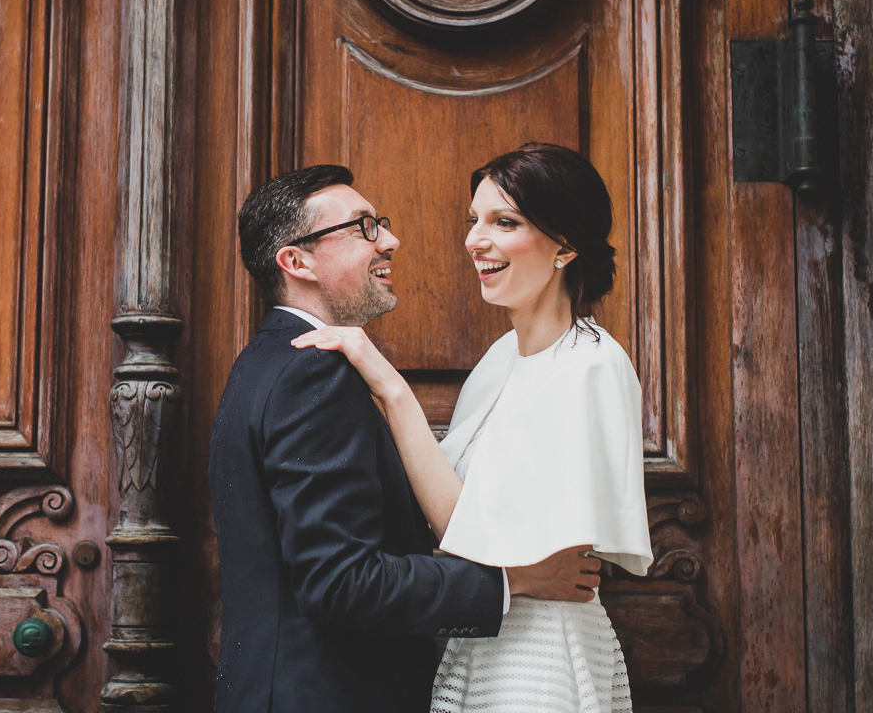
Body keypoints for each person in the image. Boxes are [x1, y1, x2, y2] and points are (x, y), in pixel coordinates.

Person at [208, 164, 603, 713]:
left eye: (382, 224)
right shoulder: (311, 372)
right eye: (363, 228)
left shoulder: (266, 361)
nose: (390, 240)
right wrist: (516, 580)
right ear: (297, 262)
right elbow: (342, 583)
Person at [293, 144, 654, 713]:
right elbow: (461, 533)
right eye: (474, 220)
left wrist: (390, 387)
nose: (474, 240)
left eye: (503, 222)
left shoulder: (592, 363)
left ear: (565, 245)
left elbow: (465, 527)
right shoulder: (499, 357)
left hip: (541, 651)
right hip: (484, 637)